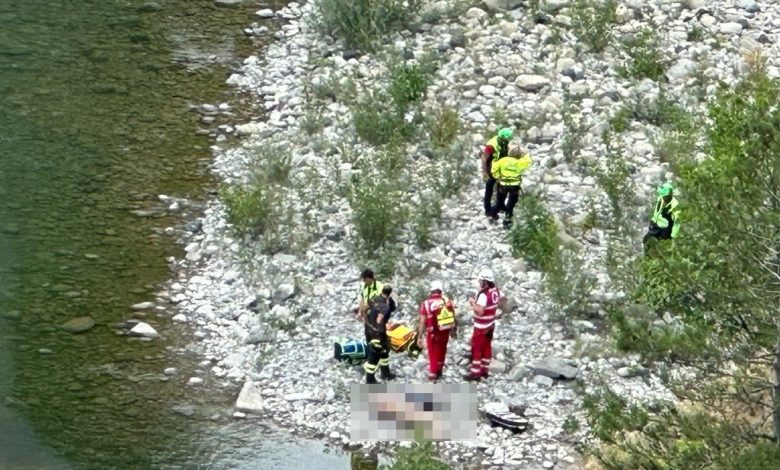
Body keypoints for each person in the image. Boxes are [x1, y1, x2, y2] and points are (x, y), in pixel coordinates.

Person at [464, 268, 501, 381]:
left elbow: (480, 311)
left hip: (481, 326)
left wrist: (473, 303)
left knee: (477, 348)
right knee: (486, 347)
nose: (479, 282)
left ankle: (475, 373)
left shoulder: (484, 294)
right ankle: (484, 370)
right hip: (490, 324)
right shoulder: (495, 291)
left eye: (481, 280)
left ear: (485, 281)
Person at [417, 280, 457, 381]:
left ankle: (433, 373)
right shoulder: (447, 301)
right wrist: (453, 331)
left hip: (432, 332)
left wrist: (419, 336)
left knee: (432, 352)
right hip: (444, 330)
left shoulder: (426, 303)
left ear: (431, 291)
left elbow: (422, 321)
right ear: (440, 291)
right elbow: (452, 316)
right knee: (442, 349)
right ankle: (439, 369)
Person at [364, 286, 397, 384]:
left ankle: (385, 373)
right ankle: (370, 380)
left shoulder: (374, 299)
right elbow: (379, 319)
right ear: (390, 294)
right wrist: (379, 328)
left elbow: (363, 309)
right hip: (378, 333)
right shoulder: (384, 306)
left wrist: (368, 323)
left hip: (369, 330)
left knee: (384, 351)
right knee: (374, 355)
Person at [490, 151, 532, 229]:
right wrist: (525, 153)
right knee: (511, 202)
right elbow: (529, 162)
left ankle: (492, 214)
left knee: (500, 201)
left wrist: (498, 176)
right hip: (514, 185)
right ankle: (507, 221)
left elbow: (494, 169)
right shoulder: (519, 162)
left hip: (502, 184)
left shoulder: (503, 160)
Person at [481, 128, 514, 220]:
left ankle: (500, 206)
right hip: (491, 169)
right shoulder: (491, 145)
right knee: (489, 188)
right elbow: (484, 158)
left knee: (501, 189)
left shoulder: (505, 143)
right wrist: (485, 172)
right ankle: (488, 210)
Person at [643, 182, 681, 253]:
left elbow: (677, 223)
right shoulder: (660, 199)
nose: (664, 198)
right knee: (646, 240)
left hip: (666, 230)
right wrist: (653, 221)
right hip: (656, 226)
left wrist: (673, 237)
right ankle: (647, 256)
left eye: (666, 196)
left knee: (661, 248)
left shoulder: (675, 206)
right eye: (663, 196)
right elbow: (657, 211)